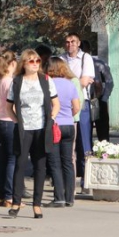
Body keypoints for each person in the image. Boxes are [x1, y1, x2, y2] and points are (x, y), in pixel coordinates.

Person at [7, 49, 60, 219]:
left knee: (40, 167)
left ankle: (36, 204)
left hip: (42, 129)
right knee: (20, 165)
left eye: (37, 61)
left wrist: (51, 119)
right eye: (31, 61)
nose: (36, 64)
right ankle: (16, 203)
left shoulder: (46, 80)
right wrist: (17, 121)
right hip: (24, 129)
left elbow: (56, 104)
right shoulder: (17, 82)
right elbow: (9, 107)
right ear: (24, 63)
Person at [45, 57, 80, 207]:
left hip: (54, 125)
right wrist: (68, 116)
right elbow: (76, 107)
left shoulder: (47, 84)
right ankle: (70, 198)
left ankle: (59, 197)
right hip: (69, 125)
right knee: (68, 162)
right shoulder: (70, 84)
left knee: (55, 163)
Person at [60, 33, 95, 179]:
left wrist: (66, 85)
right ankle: (70, 179)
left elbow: (85, 81)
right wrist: (75, 82)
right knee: (68, 144)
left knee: (84, 141)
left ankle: (86, 178)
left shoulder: (86, 58)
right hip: (64, 105)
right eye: (67, 42)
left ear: (79, 43)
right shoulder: (61, 59)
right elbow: (56, 80)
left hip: (82, 102)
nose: (70, 44)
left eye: (73, 41)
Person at [0, 51, 17, 207]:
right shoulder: (10, 82)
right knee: (12, 159)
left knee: (2, 159)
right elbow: (13, 105)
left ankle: (1, 193)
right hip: (10, 120)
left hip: (0, 120)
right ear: (12, 63)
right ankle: (9, 195)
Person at [91, 51, 113, 142]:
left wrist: (104, 99)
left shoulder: (98, 63)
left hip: (98, 98)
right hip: (84, 99)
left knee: (102, 129)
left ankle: (104, 147)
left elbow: (109, 82)